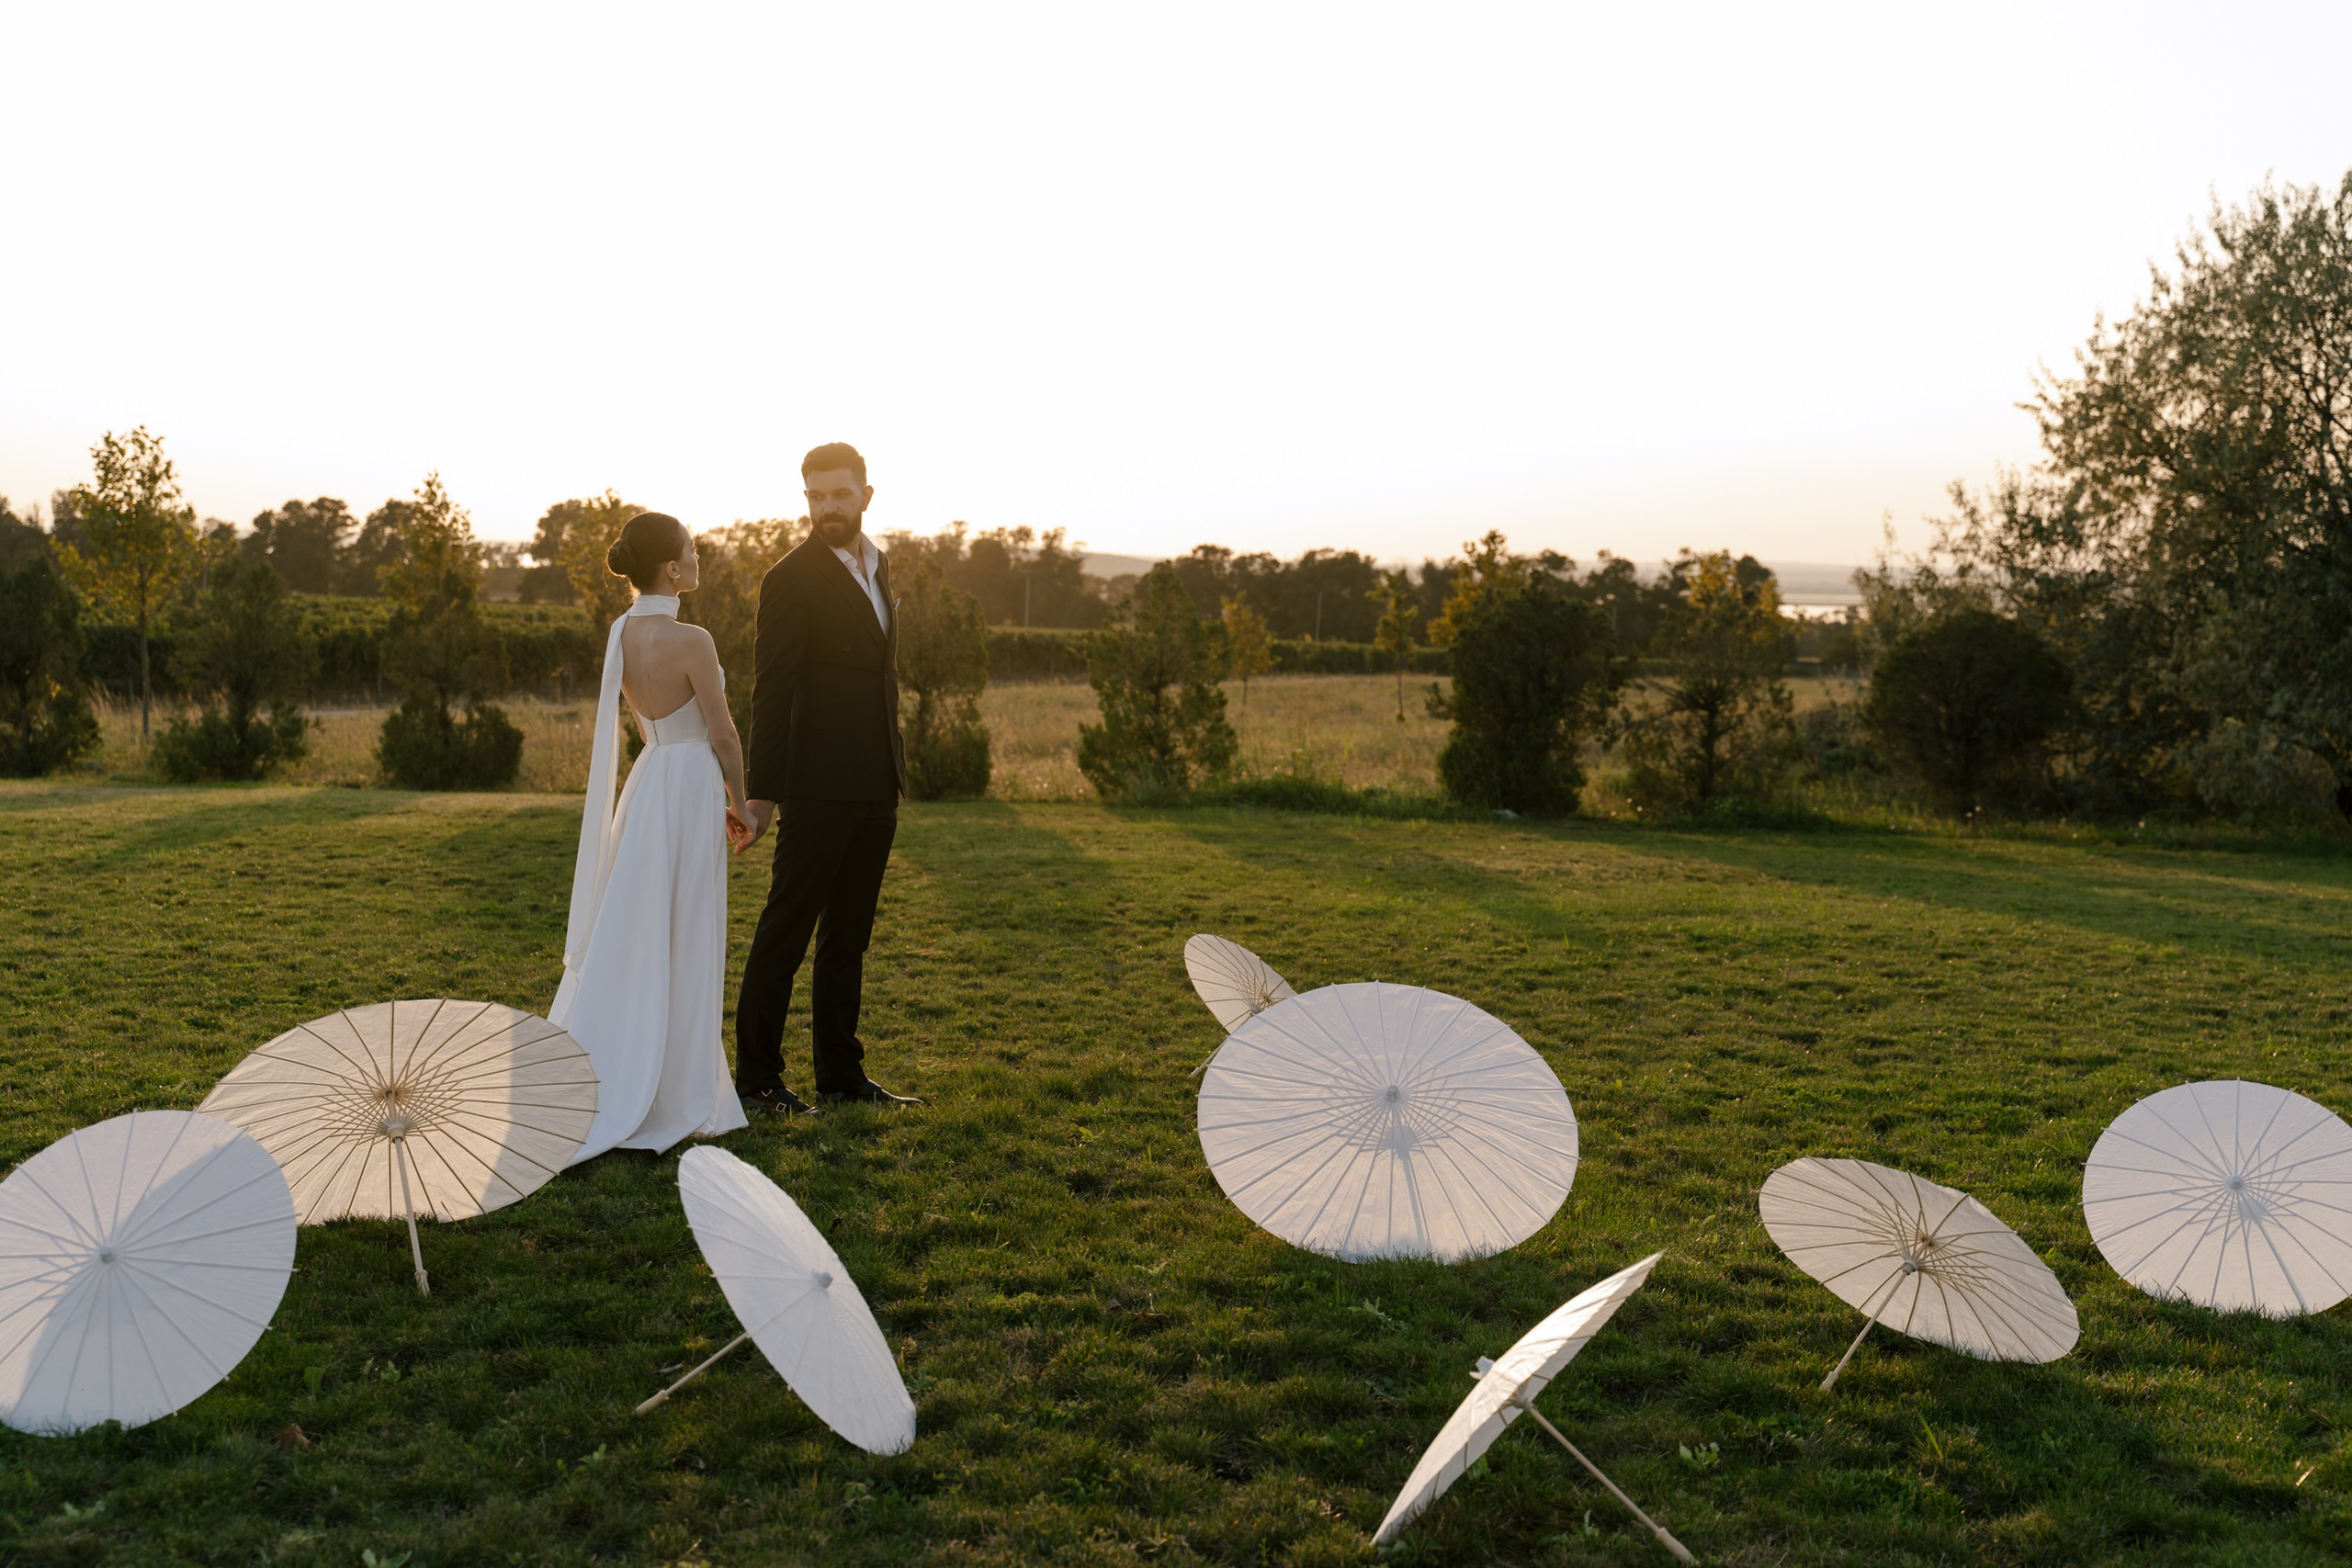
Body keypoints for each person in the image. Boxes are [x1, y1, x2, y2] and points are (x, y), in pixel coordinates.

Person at [550, 511, 752, 1161]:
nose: (698, 558)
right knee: (687, 925)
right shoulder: (692, 638)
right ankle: (674, 1089)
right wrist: (740, 801)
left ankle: (633, 1060)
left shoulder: (621, 632)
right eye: (691, 550)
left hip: (650, 780)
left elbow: (642, 722)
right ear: (672, 567)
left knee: (638, 922)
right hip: (690, 783)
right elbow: (722, 733)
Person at [731, 442, 922, 1113]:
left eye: (840, 495)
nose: (827, 508)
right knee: (785, 932)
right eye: (815, 496)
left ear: (866, 495)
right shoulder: (789, 578)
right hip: (814, 784)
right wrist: (762, 791)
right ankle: (756, 1080)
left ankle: (841, 1078)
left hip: (876, 781)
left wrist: (893, 767)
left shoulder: (879, 564)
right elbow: (772, 689)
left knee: (849, 938)